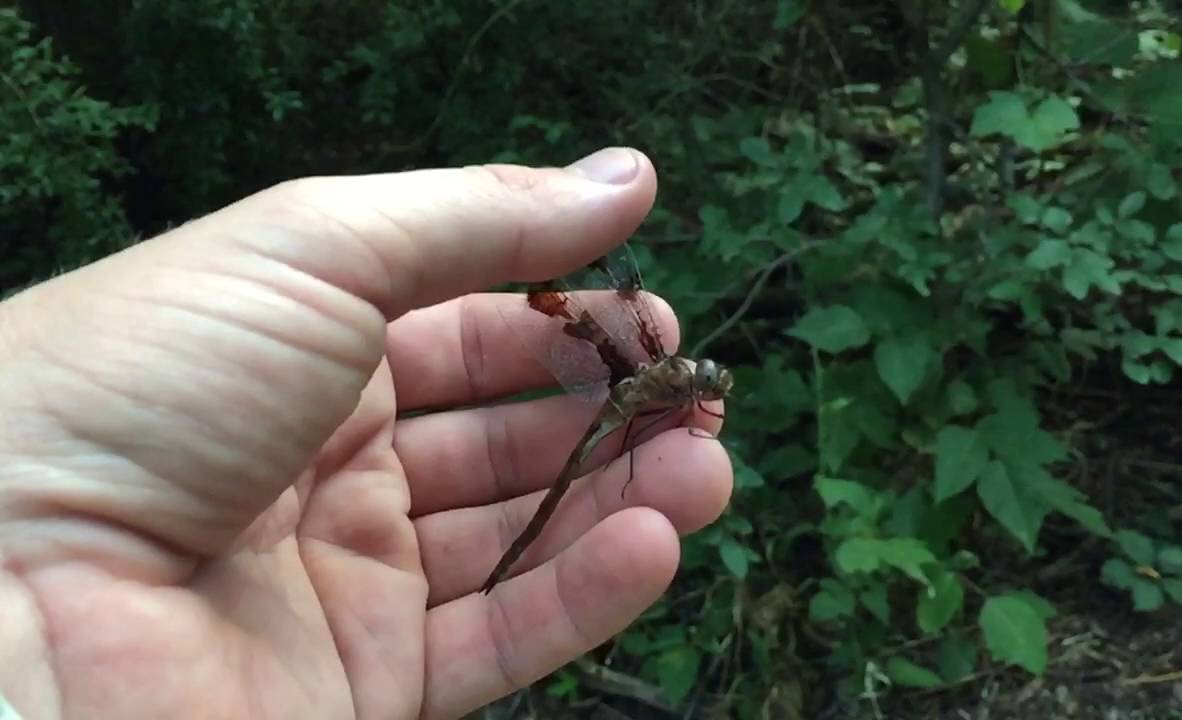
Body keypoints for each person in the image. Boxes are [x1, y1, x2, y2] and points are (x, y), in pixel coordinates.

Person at [0, 148, 733, 719]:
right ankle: (506, 560)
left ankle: (508, 561)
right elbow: (602, 351)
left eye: (703, 389)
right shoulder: (654, 371)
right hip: (612, 413)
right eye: (702, 386)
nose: (702, 391)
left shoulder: (664, 383)